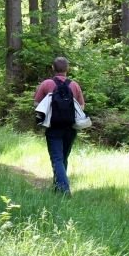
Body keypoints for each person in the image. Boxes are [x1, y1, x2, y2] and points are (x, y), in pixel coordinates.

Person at [33, 57, 85, 195]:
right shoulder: (74, 85)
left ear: (52, 68)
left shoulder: (46, 84)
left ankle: (64, 189)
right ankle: (58, 188)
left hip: (53, 126)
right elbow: (81, 106)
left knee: (57, 158)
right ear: (67, 69)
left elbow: (36, 104)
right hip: (70, 127)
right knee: (63, 158)